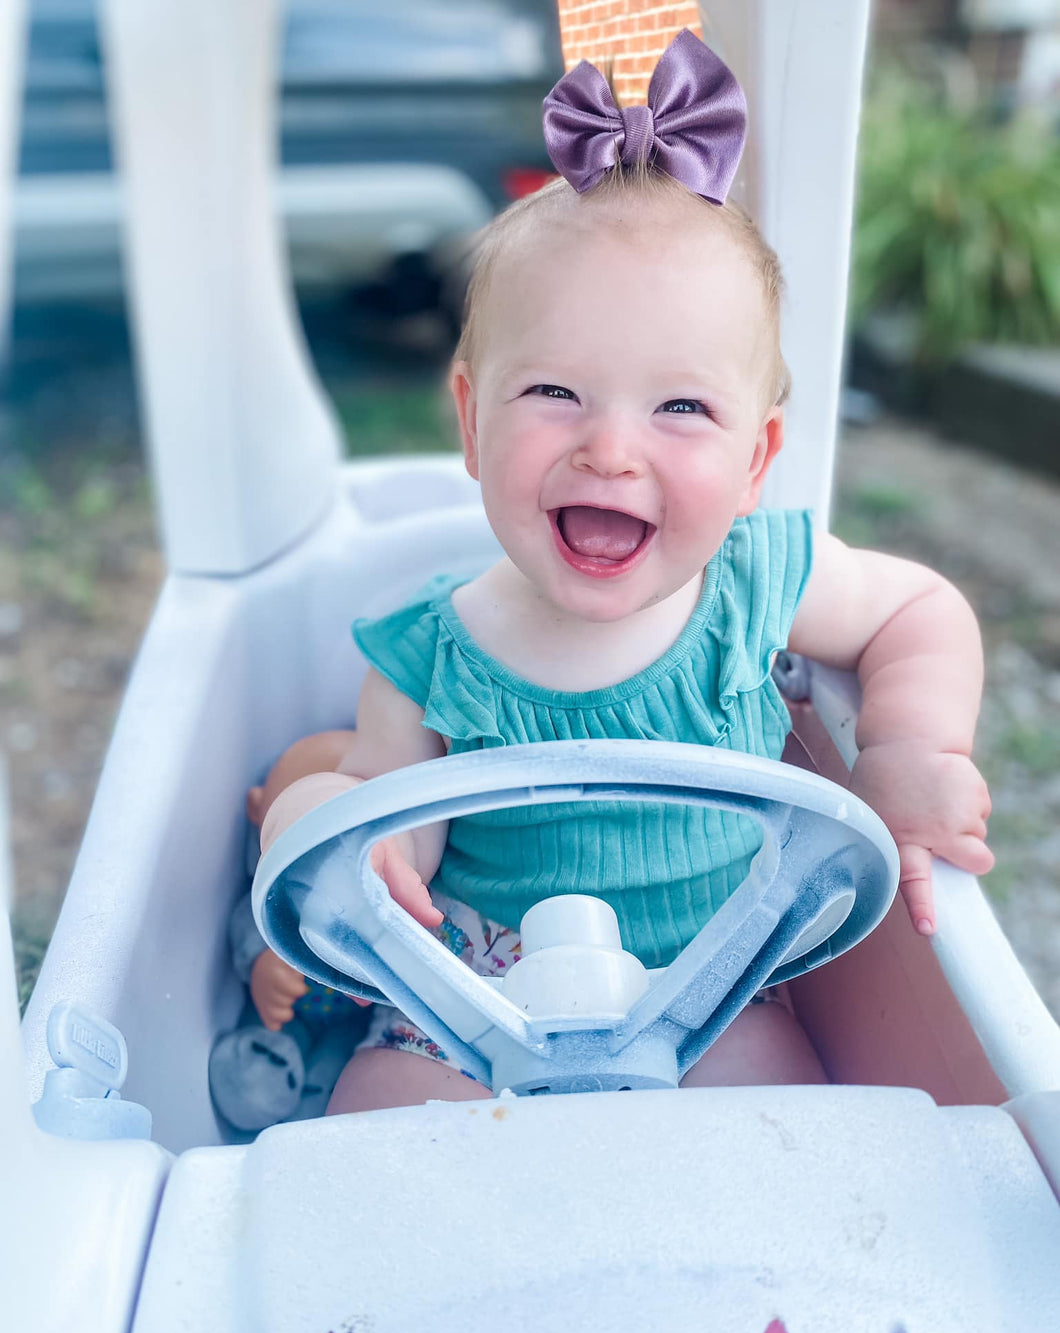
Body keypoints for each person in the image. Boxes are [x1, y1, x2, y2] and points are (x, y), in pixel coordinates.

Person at [260, 31, 993, 1115]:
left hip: (714, 993)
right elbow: (387, 811)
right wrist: (324, 823)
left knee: (786, 1117)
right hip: (473, 1003)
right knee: (373, 1114)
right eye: (555, 391)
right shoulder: (429, 649)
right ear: (470, 419)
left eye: (681, 408)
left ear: (756, 463)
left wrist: (906, 749)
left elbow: (919, 611)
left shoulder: (758, 586)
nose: (610, 450)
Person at [208, 731, 370, 1130]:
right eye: (300, 821)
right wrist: (263, 962)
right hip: (286, 1015)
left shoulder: (366, 899)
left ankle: (320, 1103)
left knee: (346, 1066)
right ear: (258, 808)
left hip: (354, 1020)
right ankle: (267, 1076)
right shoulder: (273, 894)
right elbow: (246, 923)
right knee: (262, 1063)